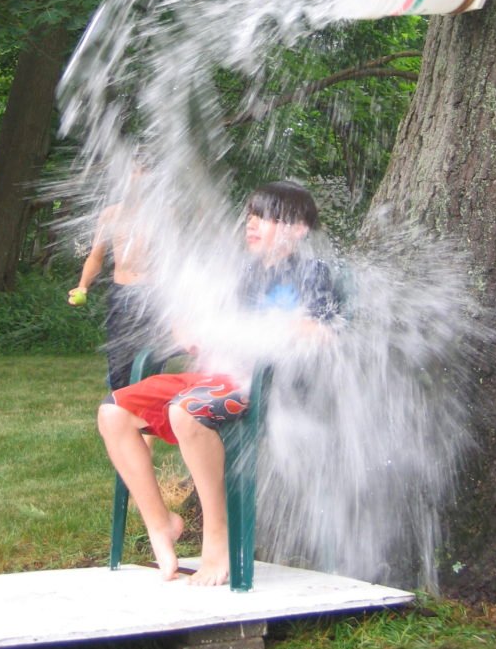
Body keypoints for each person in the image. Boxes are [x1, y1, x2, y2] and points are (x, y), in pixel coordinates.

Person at [97, 180, 339, 586]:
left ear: (298, 230)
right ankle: (162, 524)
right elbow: (195, 318)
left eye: (266, 217)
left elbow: (323, 333)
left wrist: (263, 328)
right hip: (215, 380)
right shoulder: (241, 273)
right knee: (113, 413)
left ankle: (218, 536)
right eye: (251, 216)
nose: (252, 225)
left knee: (186, 410)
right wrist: (188, 328)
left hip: (266, 388)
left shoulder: (311, 274)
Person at [69, 166, 157, 392]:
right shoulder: (110, 215)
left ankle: (146, 419)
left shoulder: (164, 214)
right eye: (133, 170)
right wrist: (83, 286)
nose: (137, 177)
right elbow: (96, 257)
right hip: (121, 294)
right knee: (119, 363)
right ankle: (119, 409)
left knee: (150, 363)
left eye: (144, 171)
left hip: (153, 295)